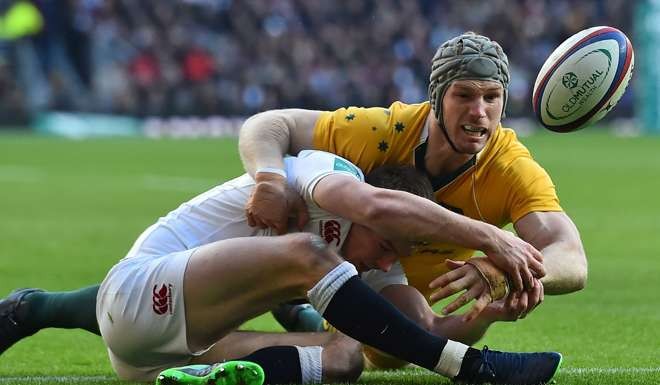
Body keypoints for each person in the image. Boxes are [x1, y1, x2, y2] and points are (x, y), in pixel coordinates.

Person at [1, 150, 561, 385]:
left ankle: (202, 382)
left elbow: (414, 335)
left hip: (158, 360)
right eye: (391, 244)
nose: (391, 261)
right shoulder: (326, 176)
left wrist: (488, 316)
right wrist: (487, 236)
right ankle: (472, 371)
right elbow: (371, 207)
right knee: (308, 257)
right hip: (137, 291)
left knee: (346, 358)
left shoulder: (370, 259)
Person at [238, 31, 587, 367]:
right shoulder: (383, 132)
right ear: (436, 98)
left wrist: (502, 275)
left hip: (398, 298)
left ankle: (309, 320)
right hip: (329, 259)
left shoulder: (511, 169)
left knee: (393, 353)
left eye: (491, 97)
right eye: (464, 95)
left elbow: (570, 256)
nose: (479, 111)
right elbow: (271, 124)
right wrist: (269, 179)